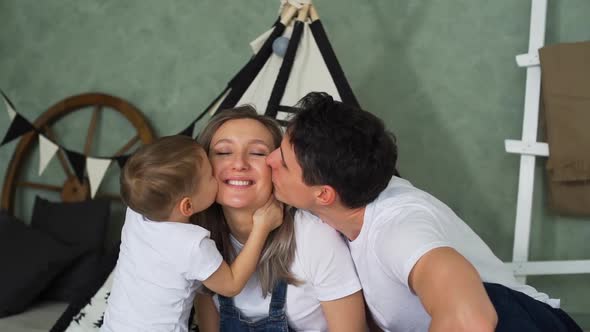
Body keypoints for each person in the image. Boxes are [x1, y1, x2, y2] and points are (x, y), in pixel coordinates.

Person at [266, 92, 583, 332]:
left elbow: (470, 318)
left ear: (324, 194)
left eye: (282, 162)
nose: (268, 161)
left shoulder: (399, 227)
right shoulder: (341, 206)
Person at [193, 106, 366, 332]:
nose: (239, 164)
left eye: (257, 153)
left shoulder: (313, 236)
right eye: (224, 152)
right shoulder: (197, 239)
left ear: (277, 166)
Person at [102, 135, 283, 332]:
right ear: (187, 205)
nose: (216, 173)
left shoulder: (136, 213)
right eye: (210, 176)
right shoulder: (192, 245)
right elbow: (231, 284)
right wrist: (261, 227)